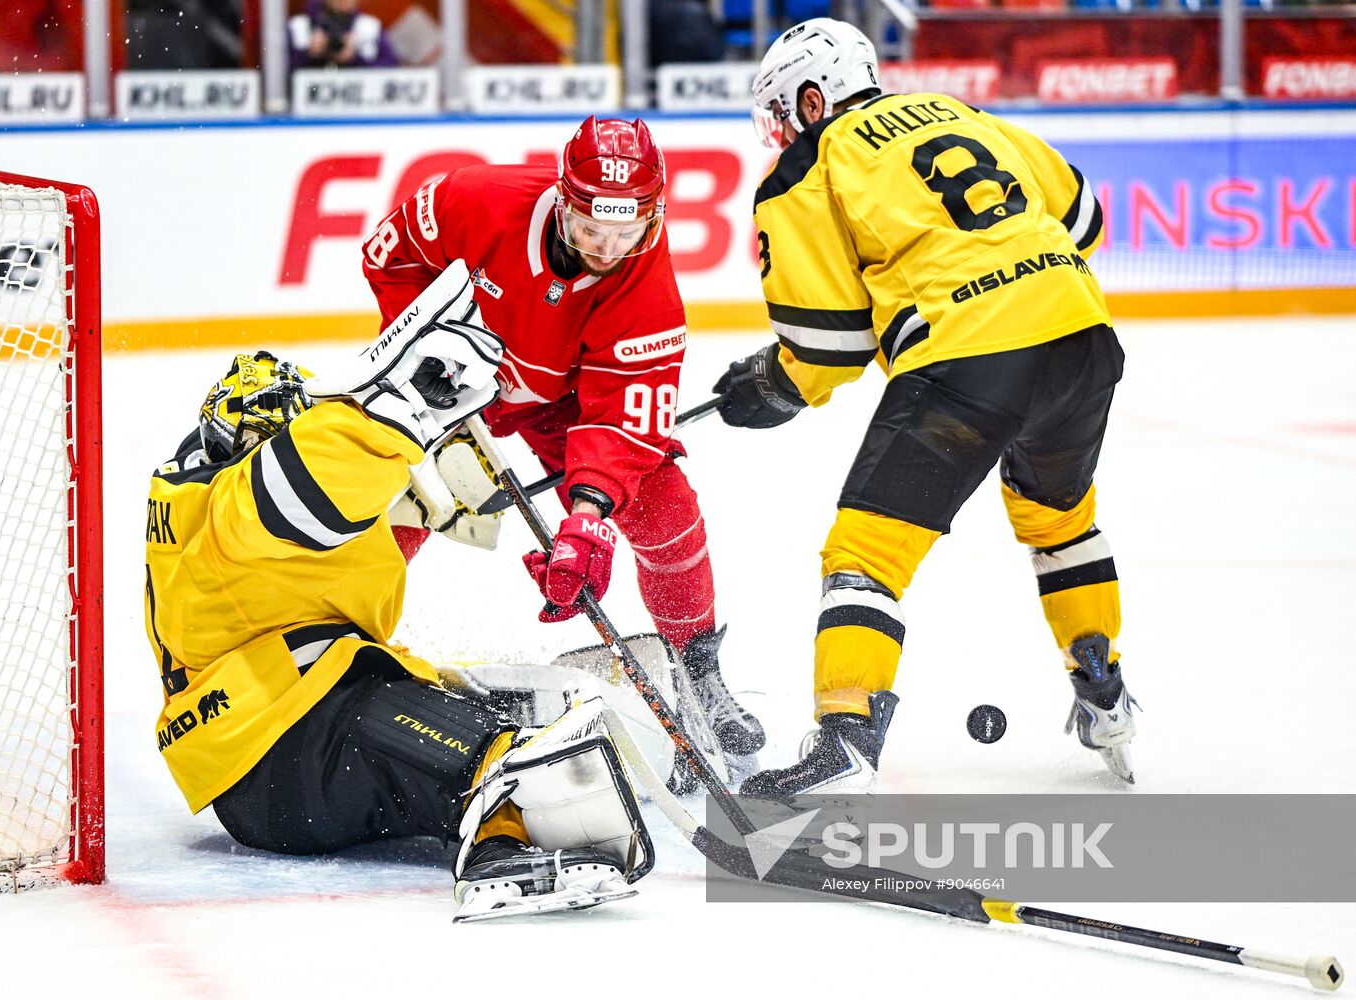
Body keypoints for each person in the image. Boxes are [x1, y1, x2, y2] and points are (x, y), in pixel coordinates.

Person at [144, 270, 653, 919]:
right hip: (286, 746)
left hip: (271, 761)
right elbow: (301, 482)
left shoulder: (210, 511)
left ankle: (490, 799)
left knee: (458, 747)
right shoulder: (237, 504)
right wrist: (403, 411)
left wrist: (424, 487)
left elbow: (326, 538)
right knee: (513, 763)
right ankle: (499, 855)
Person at [714, 18, 1136, 795]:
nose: (781, 131)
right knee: (1060, 519)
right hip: (1083, 341)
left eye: (782, 112)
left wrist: (768, 384)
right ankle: (1105, 692)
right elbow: (1086, 221)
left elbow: (828, 343)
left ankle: (843, 742)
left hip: (969, 366)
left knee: (865, 560)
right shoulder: (965, 114)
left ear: (812, 100)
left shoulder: (812, 166)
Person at [361, 115, 766, 772]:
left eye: (625, 233)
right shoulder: (474, 200)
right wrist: (425, 345)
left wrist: (586, 519)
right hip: (446, 374)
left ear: (655, 215)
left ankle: (697, 671)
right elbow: (392, 257)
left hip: (562, 397)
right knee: (397, 496)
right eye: (589, 230)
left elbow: (622, 421)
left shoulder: (646, 289)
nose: (606, 249)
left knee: (664, 502)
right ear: (562, 201)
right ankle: (336, 643)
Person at [288, 0, 399, 71]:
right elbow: (276, 74)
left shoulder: (370, 28)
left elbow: (391, 68)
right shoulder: (299, 26)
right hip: (302, 105)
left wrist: (355, 59)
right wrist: (308, 54)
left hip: (356, 103)